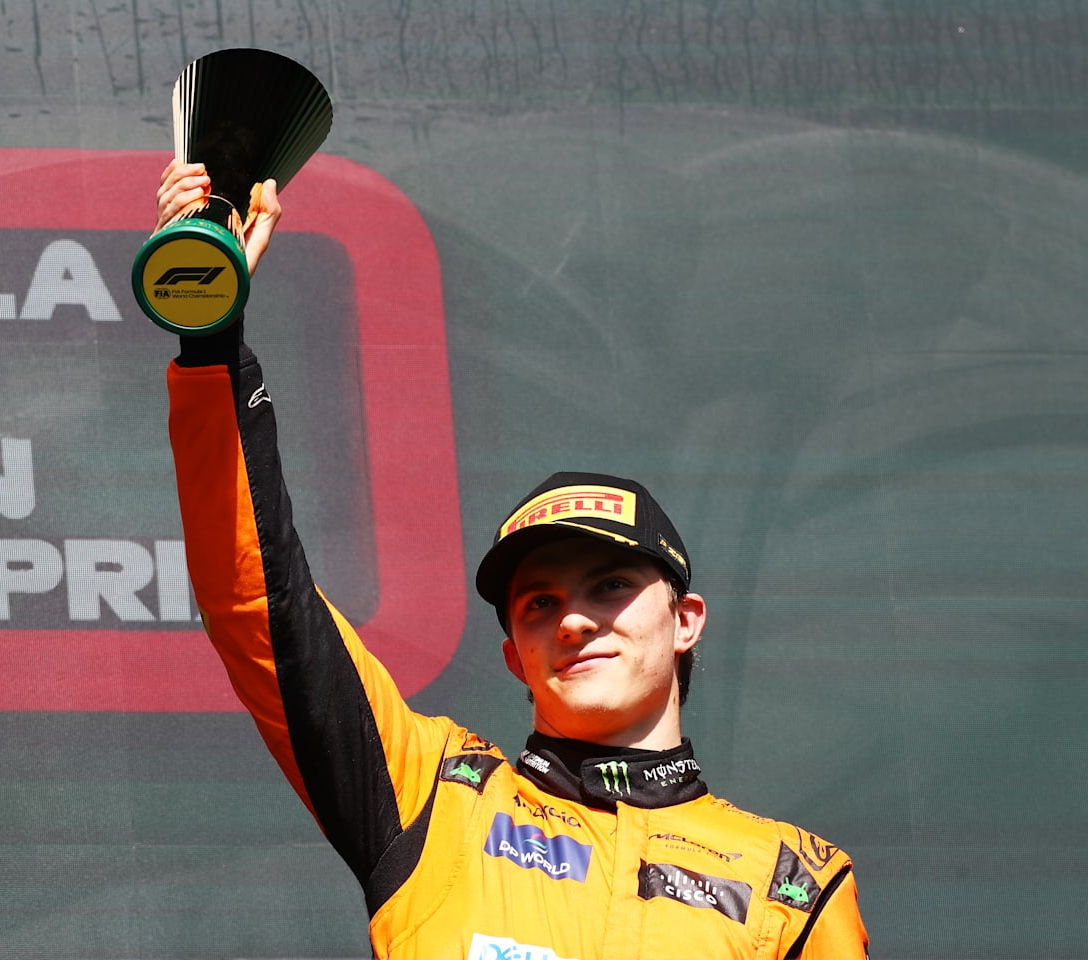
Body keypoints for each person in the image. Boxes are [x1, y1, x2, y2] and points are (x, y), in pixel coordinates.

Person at [158, 160, 869, 959]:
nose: (572, 617)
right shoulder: (435, 796)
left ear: (686, 620)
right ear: (513, 655)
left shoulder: (794, 884)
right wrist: (212, 339)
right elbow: (264, 602)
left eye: (610, 586)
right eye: (538, 603)